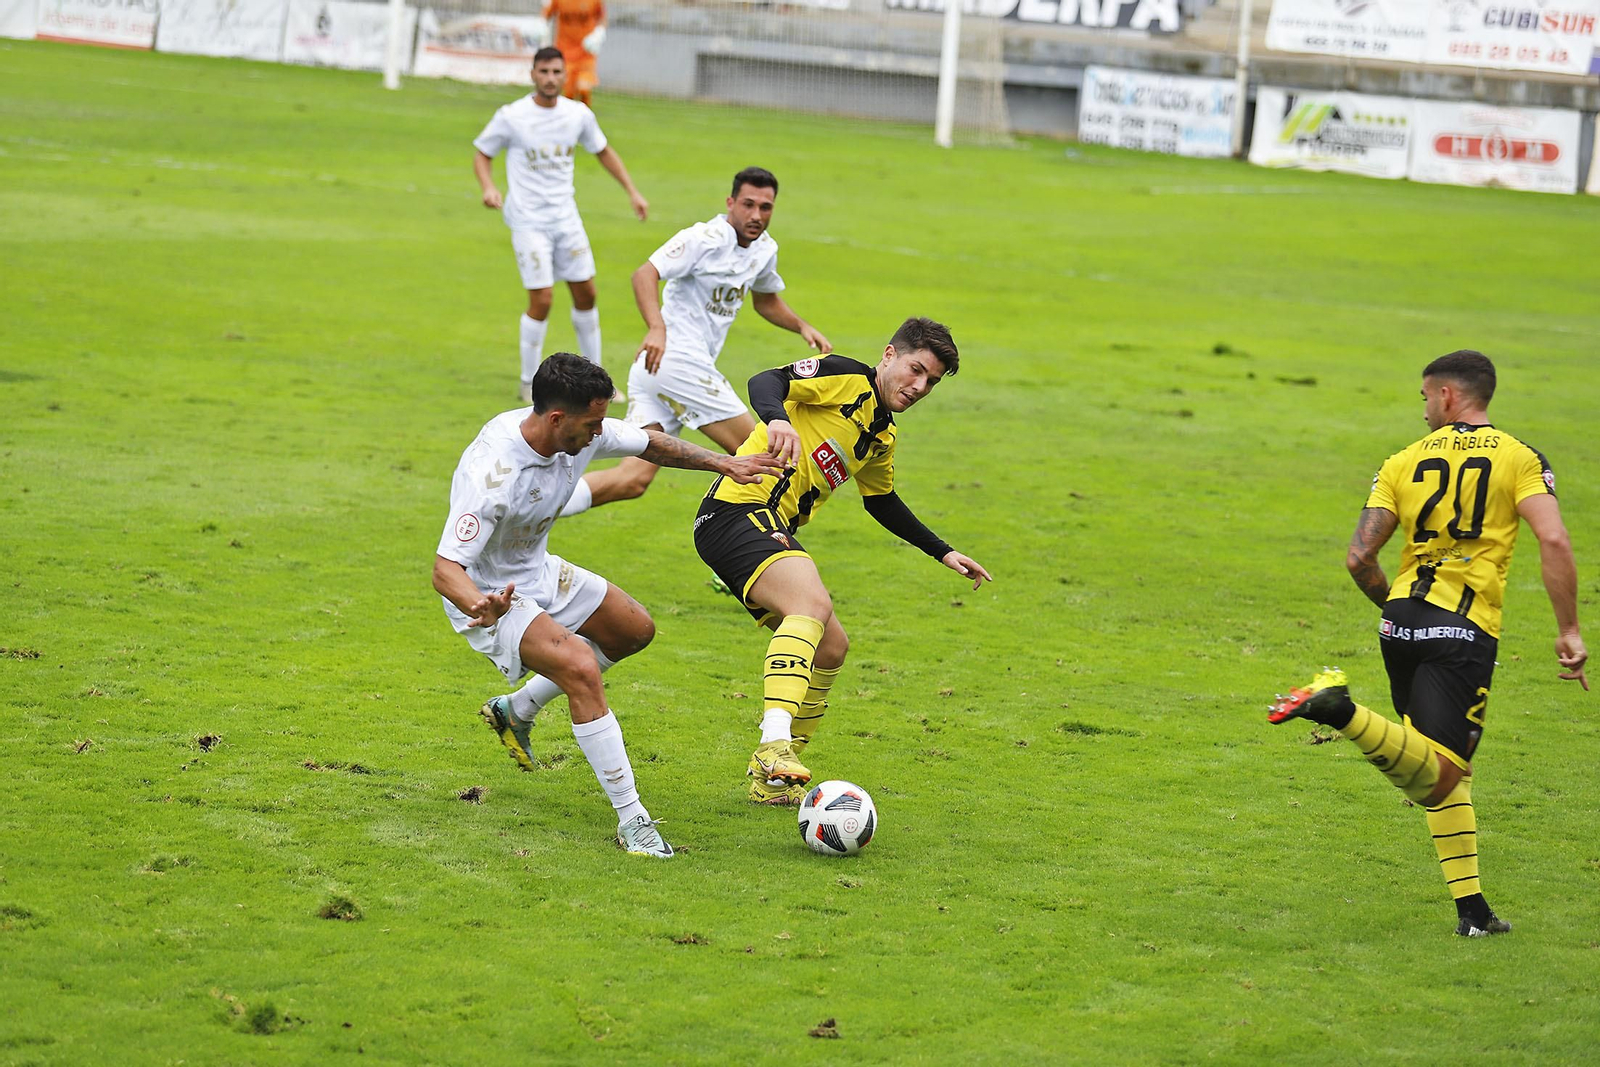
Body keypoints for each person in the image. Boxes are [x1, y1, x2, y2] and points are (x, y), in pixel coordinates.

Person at [1269, 350, 1588, 936]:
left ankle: (1473, 913)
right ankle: (1337, 708)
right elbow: (1555, 540)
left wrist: (1397, 609)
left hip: (1400, 625)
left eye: (1423, 398)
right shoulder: (1520, 458)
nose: (1422, 411)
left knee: (1442, 773)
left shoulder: (1401, 462)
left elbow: (1359, 557)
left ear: (1445, 395)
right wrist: (1568, 628)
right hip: (1460, 634)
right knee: (1439, 775)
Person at [432, 354, 783, 857]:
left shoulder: (579, 429)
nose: (600, 432)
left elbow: (650, 443)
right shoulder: (493, 472)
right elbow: (446, 569)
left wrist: (723, 462)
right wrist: (480, 605)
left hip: (538, 571)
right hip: (490, 596)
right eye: (592, 423)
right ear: (557, 419)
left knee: (632, 630)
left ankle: (516, 710)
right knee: (579, 668)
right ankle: (633, 820)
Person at [692, 317, 992, 804]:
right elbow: (766, 380)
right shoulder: (846, 377)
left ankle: (772, 784)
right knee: (810, 605)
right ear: (889, 356)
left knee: (831, 647)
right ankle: (773, 746)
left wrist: (943, 551)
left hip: (763, 524)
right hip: (737, 510)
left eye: (931, 382)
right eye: (915, 370)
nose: (919, 386)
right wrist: (778, 418)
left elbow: (882, 502)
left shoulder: (881, 436)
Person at [558, 166, 829, 519]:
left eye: (766, 208)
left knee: (631, 479)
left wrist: (801, 326)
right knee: (762, 454)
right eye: (748, 204)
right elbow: (644, 274)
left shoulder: (764, 249)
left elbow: (765, 300)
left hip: (660, 372)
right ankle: (746, 558)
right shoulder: (703, 239)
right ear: (731, 202)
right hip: (676, 361)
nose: (756, 215)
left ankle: (530, 509)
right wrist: (656, 327)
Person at [473, 46, 647, 405]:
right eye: (544, 72)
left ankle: (600, 381)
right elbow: (482, 153)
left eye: (556, 72)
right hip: (528, 221)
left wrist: (632, 191)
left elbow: (603, 150)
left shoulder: (577, 115)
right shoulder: (513, 116)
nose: (550, 79)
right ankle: (527, 381)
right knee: (543, 298)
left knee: (587, 294)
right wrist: (489, 187)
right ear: (532, 74)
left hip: (566, 220)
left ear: (565, 75)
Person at [543, 0, 605, 106]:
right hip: (564, 52)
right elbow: (546, 14)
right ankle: (567, 119)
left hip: (585, 52)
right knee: (568, 94)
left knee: (584, 89)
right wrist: (542, 28)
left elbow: (601, 16)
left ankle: (586, 118)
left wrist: (599, 32)